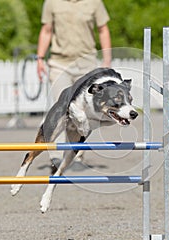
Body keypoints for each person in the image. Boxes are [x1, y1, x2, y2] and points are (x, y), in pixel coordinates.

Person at [36, 0, 112, 171]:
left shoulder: (94, 3)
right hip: (59, 63)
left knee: (83, 111)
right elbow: (46, 31)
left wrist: (107, 59)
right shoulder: (52, 2)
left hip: (87, 63)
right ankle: (55, 156)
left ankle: (76, 155)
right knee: (61, 109)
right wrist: (40, 58)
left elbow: (103, 29)